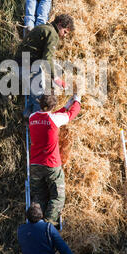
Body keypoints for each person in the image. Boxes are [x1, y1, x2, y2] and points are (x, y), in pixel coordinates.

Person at [29, 92, 81, 225]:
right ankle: (49, 225)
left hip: (35, 164)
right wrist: (76, 101)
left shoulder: (32, 117)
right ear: (53, 106)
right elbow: (71, 115)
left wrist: (65, 106)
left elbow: (49, 116)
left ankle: (36, 224)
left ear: (40, 104)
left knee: (38, 196)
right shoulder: (54, 119)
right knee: (58, 197)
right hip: (51, 164)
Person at [15, 14, 74, 117]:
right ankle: (37, 124)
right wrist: (55, 77)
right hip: (27, 66)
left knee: (35, 94)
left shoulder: (43, 27)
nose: (64, 35)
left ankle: (27, 117)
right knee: (41, 99)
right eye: (65, 32)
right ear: (59, 25)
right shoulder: (53, 34)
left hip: (19, 64)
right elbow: (47, 58)